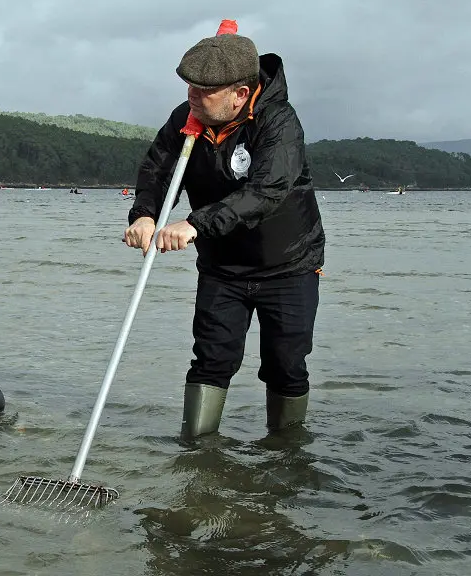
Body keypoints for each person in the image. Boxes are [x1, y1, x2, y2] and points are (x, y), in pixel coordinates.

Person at [124, 23, 324, 439]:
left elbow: (266, 191)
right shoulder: (187, 119)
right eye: (189, 88)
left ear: (240, 93)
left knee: (285, 363)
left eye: (203, 91)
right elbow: (159, 171)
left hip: (287, 266)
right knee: (211, 359)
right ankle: (197, 454)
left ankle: (285, 454)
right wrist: (145, 214)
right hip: (223, 269)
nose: (191, 98)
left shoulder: (279, 122)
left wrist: (195, 224)